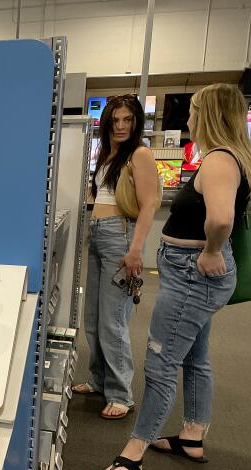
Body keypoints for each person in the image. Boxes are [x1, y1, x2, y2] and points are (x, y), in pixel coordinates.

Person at [99, 84, 251, 470]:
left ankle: (134, 452)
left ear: (207, 114)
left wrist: (210, 251)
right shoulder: (224, 158)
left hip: (193, 274)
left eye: (192, 109)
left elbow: (222, 218)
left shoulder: (220, 160)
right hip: (189, 273)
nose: (186, 117)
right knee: (196, 356)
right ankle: (192, 434)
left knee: (161, 362)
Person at [73, 94, 159, 419]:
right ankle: (98, 380)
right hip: (97, 235)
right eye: (116, 119)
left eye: (128, 120)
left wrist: (135, 248)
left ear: (136, 123)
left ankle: (121, 394)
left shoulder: (140, 154)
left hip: (120, 236)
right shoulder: (109, 155)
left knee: (112, 320)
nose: (121, 126)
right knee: (93, 317)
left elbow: (149, 204)